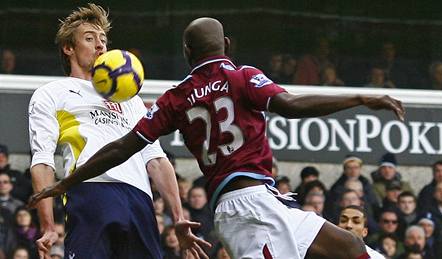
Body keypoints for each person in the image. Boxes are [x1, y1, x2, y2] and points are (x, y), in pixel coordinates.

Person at [29, 17, 405, 259]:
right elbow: (291, 104)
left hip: (257, 203)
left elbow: (128, 148)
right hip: (246, 209)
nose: (99, 45)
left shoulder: (173, 99)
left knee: (353, 247)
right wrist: (360, 97)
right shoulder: (242, 77)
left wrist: (67, 181)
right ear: (226, 42)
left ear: (187, 52)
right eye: (89, 39)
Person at [27, 4, 208, 259]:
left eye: (103, 40)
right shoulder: (52, 92)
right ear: (68, 48)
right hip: (91, 191)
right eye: (89, 39)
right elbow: (43, 160)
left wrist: (178, 216)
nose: (100, 45)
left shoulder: (130, 99)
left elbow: (155, 159)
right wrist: (47, 224)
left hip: (139, 199)